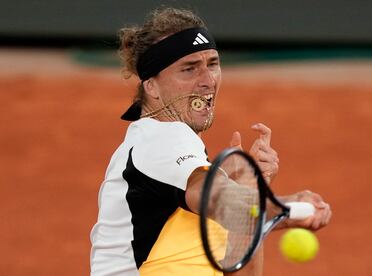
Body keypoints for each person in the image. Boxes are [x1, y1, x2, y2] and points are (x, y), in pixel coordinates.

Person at [90, 7, 332, 276]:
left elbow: (240, 266)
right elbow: (217, 197)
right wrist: (285, 207)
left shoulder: (182, 168)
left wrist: (252, 190)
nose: (208, 81)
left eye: (212, 64)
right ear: (151, 86)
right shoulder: (159, 139)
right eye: (189, 68)